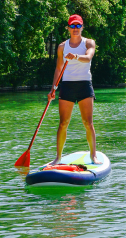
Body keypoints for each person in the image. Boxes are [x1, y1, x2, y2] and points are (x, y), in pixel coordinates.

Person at [48, 14, 101, 165]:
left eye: (78, 26)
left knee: (87, 122)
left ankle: (93, 156)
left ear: (82, 27)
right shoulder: (62, 47)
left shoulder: (88, 43)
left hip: (84, 85)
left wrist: (76, 56)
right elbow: (58, 69)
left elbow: (88, 57)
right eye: (73, 26)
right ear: (68, 28)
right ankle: (58, 158)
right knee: (63, 123)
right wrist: (53, 88)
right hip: (67, 86)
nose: (75, 28)